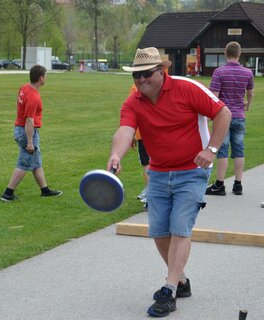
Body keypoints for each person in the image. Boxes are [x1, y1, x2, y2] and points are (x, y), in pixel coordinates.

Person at [106, 47, 231, 318]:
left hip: (192, 171)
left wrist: (211, 149)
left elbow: (224, 114)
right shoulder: (133, 102)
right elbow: (126, 131)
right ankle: (182, 280)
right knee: (160, 232)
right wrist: (116, 154)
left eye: (146, 74)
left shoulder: (187, 88)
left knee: (180, 228)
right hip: (159, 172)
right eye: (136, 75)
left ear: (161, 71)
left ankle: (169, 288)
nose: (141, 80)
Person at [1, 65, 62, 201]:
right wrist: (29, 142)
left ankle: (45, 190)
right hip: (27, 132)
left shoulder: (24, 87)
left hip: (20, 128)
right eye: (45, 76)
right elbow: (29, 120)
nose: (46, 78)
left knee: (36, 162)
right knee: (25, 162)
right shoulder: (33, 97)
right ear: (41, 78)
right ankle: (8, 193)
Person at [206, 41, 254, 196]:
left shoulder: (219, 72)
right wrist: (248, 105)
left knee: (222, 151)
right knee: (239, 150)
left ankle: (220, 185)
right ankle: (238, 184)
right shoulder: (248, 73)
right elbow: (250, 93)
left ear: (225, 53)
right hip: (239, 115)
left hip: (223, 117)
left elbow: (214, 96)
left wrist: (210, 114)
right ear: (239, 54)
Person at [129, 85, 150, 208]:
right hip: (159, 132)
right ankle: (151, 194)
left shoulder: (136, 87)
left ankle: (149, 194)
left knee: (147, 164)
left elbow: (132, 112)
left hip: (143, 132)